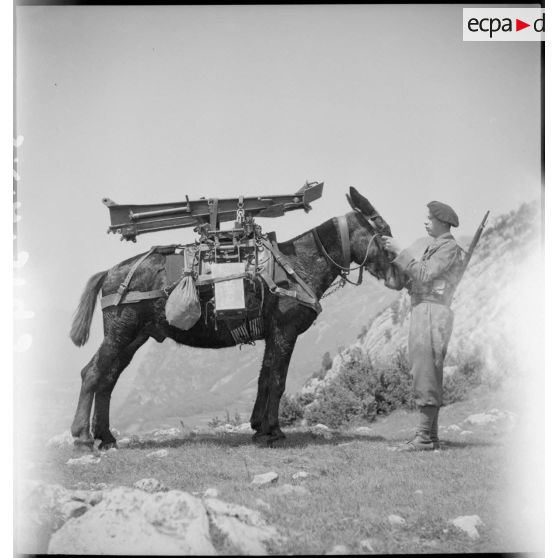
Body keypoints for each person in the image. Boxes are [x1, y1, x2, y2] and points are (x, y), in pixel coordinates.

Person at [381, 201, 464, 451]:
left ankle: (425, 438)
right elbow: (424, 277)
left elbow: (426, 274)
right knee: (425, 369)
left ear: (442, 222)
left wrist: (400, 250)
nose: (426, 222)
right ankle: (431, 437)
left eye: (430, 218)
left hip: (431, 311)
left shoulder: (448, 247)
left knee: (425, 370)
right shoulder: (437, 246)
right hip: (426, 308)